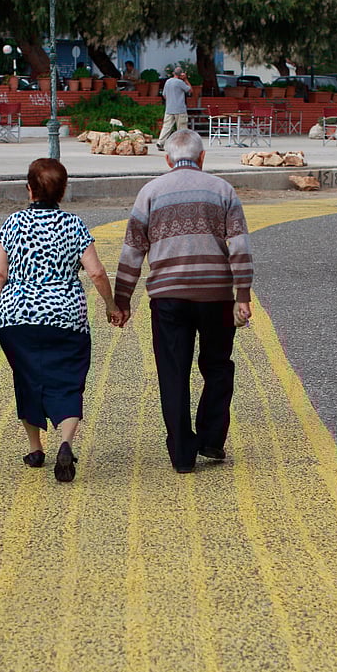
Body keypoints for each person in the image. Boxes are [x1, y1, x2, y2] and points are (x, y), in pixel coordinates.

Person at [112, 129, 254, 473]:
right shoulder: (224, 190)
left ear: (168, 160)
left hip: (168, 298)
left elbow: (133, 249)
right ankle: (210, 439)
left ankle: (182, 455)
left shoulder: (150, 192)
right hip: (216, 296)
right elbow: (239, 246)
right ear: (202, 157)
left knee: (173, 373)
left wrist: (122, 299)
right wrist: (243, 295)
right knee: (218, 365)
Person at [0, 158, 120, 483]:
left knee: (27, 378)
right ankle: (66, 443)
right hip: (66, 317)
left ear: (29, 189)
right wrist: (110, 305)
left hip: (18, 319)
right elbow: (97, 272)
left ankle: (35, 448)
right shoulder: (73, 225)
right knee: (68, 379)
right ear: (63, 191)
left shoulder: (12, 224)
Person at [155, 67, 192, 151]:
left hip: (169, 108)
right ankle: (182, 145)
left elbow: (164, 95)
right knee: (182, 128)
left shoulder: (167, 82)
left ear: (173, 73)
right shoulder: (180, 82)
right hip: (180, 109)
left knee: (166, 126)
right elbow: (190, 90)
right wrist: (186, 80)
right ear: (181, 74)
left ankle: (160, 142)